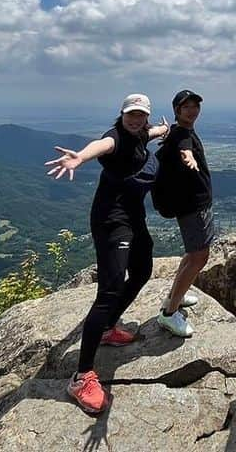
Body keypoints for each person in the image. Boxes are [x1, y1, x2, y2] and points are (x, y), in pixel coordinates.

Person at [45, 93, 169, 414]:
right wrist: (79, 158)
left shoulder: (141, 132)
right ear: (122, 114)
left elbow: (149, 133)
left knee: (142, 271)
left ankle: (107, 329)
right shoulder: (114, 138)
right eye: (131, 114)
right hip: (112, 221)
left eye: (141, 115)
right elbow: (102, 147)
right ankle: (81, 376)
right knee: (110, 289)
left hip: (133, 218)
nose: (136, 119)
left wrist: (162, 131)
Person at [153, 89, 216, 337]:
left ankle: (174, 297)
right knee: (199, 256)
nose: (192, 110)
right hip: (193, 206)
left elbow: (181, 140)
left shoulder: (181, 131)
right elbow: (185, 148)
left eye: (195, 106)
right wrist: (189, 158)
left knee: (193, 254)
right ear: (177, 111)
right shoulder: (182, 135)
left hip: (193, 204)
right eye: (186, 107)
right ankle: (169, 314)